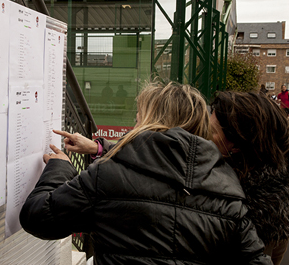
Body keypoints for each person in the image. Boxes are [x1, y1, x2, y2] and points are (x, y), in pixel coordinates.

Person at [20, 82, 272, 265]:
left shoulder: (107, 177)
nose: (134, 124)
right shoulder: (228, 192)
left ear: (151, 122)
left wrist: (60, 166)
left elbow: (37, 217)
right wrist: (99, 147)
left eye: (138, 118)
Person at [210, 91, 289, 265]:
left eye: (212, 131)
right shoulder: (278, 200)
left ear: (236, 145)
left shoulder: (235, 205)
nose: (204, 135)